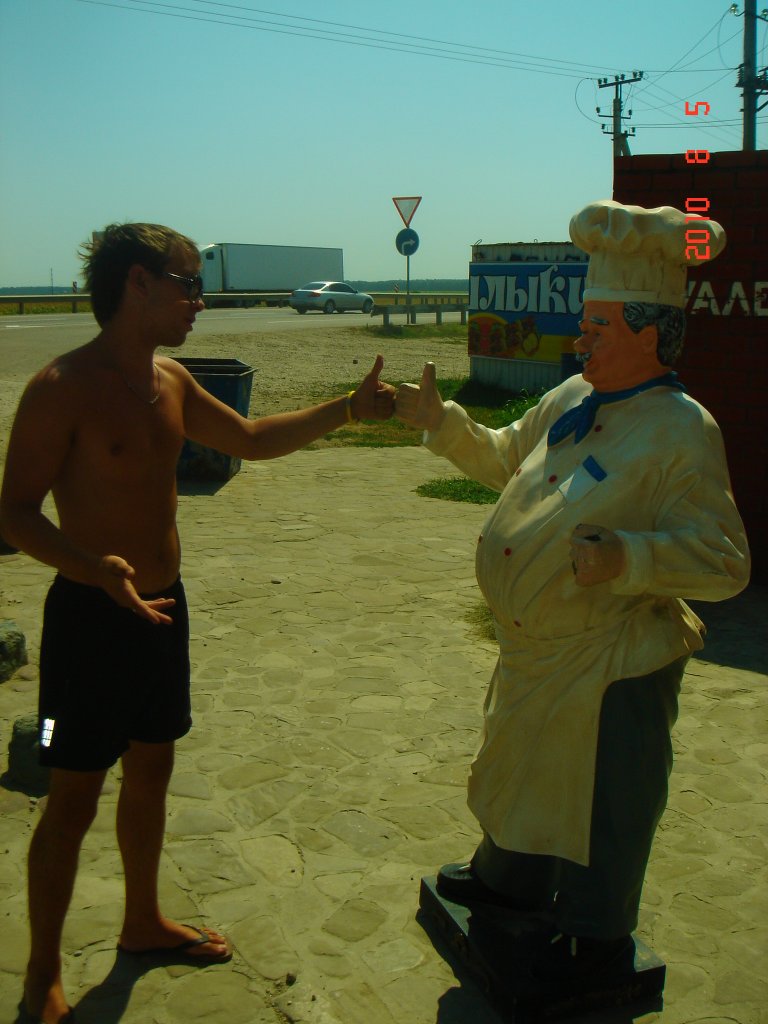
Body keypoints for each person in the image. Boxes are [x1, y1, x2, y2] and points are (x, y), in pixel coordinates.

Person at [0, 221, 395, 1024]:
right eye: (188, 284)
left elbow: (248, 438)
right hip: (87, 622)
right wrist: (91, 568)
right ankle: (41, 974)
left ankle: (141, 921)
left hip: (164, 611)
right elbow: (14, 513)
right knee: (71, 796)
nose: (200, 301)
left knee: (153, 770)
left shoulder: (171, 380)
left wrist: (347, 410)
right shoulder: (60, 387)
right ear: (138, 284)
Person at [395, 200, 750, 991]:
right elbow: (502, 457)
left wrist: (630, 557)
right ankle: (508, 880)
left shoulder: (682, 430)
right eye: (583, 322)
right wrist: (444, 423)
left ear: (649, 333)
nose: (578, 338)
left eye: (597, 326)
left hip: (611, 661)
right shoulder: (570, 400)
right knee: (522, 770)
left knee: (605, 801)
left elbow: (726, 561)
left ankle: (597, 936)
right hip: (538, 651)